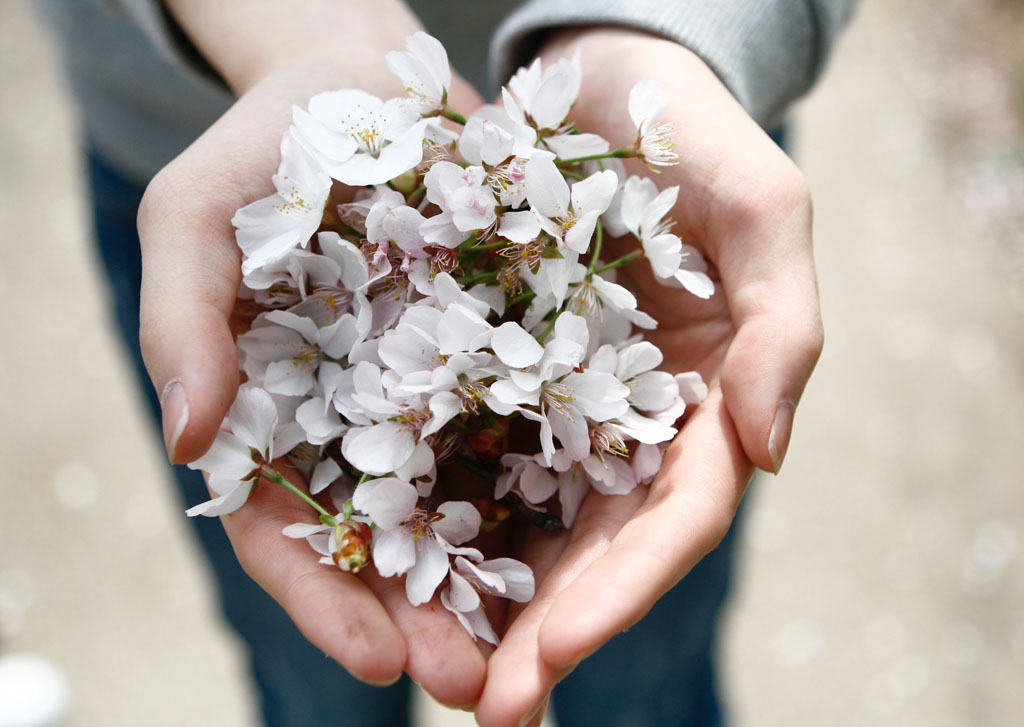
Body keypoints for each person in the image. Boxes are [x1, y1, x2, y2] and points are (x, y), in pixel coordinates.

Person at [34, 1, 855, 725]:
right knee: (317, 685)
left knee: (643, 686)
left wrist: (680, 32)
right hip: (187, 135)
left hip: (666, 84)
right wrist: (305, 26)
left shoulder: (600, 213)